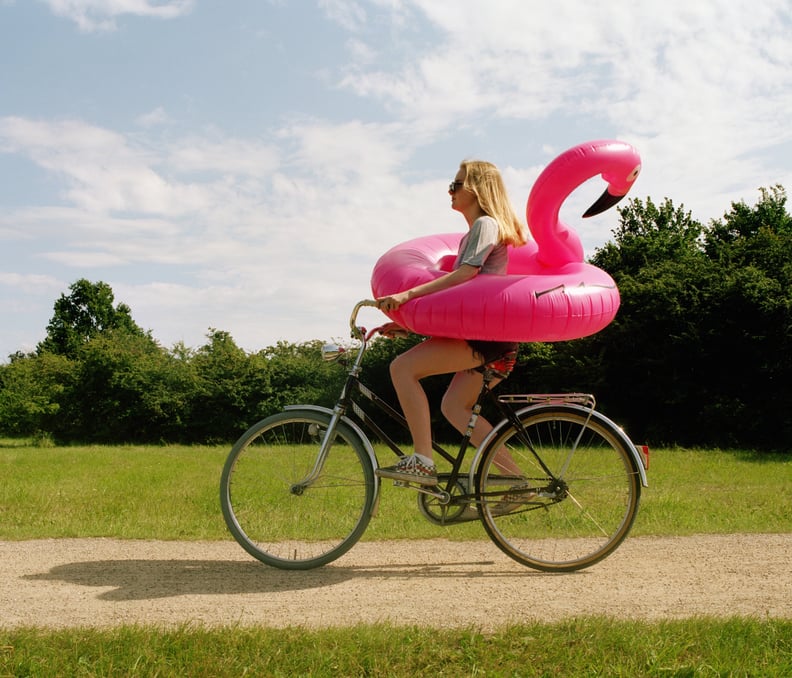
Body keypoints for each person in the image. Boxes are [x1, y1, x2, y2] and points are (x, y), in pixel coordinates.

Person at [375, 160, 527, 486]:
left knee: (402, 369)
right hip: (490, 338)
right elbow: (460, 305)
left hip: (483, 339)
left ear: (476, 188)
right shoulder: (476, 231)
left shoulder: (486, 225)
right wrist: (410, 326)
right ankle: (517, 481)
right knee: (454, 406)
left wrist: (406, 296)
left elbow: (465, 276)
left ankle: (422, 462)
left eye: (456, 184)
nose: (450, 190)